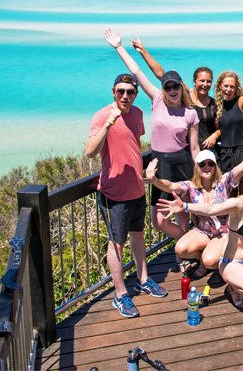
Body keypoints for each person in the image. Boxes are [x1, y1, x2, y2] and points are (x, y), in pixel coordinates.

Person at [104, 29, 200, 241]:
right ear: (163, 88)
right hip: (159, 164)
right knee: (158, 221)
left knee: (182, 214)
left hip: (182, 164)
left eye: (175, 85)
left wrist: (202, 171)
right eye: (168, 86)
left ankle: (184, 257)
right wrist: (119, 47)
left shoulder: (191, 113)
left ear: (181, 88)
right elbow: (137, 72)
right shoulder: (157, 100)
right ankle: (190, 245)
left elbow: (194, 148)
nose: (172, 89)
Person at [85, 73, 167, 318]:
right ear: (113, 91)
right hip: (114, 193)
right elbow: (90, 152)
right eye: (120, 91)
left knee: (138, 236)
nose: (125, 96)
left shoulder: (138, 114)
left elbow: (133, 143)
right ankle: (120, 294)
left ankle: (143, 279)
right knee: (116, 244)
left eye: (130, 92)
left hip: (136, 188)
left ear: (135, 94)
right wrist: (110, 123)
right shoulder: (102, 116)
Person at [159, 153, 243, 309]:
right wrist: (185, 206)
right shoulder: (237, 204)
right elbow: (211, 208)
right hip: (232, 261)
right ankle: (232, 288)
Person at [145, 132, 243, 281]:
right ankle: (208, 253)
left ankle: (208, 260)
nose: (207, 167)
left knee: (209, 261)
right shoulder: (190, 186)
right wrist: (154, 180)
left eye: (210, 164)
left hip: (223, 233)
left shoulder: (224, 181)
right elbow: (171, 186)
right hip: (203, 231)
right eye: (202, 164)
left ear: (215, 166)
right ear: (197, 167)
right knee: (180, 249)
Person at [128, 37, 219, 151]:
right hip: (185, 150)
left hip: (208, 151)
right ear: (195, 81)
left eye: (208, 81)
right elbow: (162, 75)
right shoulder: (185, 95)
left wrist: (215, 136)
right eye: (202, 81)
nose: (205, 84)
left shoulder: (214, 104)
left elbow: (222, 126)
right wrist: (143, 51)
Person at [215, 71, 243, 174]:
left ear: (236, 88)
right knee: (228, 188)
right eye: (226, 86)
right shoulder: (218, 105)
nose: (228, 89)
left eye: (232, 87)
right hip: (225, 152)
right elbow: (221, 129)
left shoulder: (242, 100)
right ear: (220, 86)